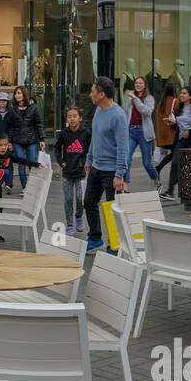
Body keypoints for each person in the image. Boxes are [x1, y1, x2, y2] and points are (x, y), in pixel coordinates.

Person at [83, 76, 129, 251]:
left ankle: (115, 245)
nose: (90, 94)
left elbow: (123, 148)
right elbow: (96, 137)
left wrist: (119, 174)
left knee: (113, 210)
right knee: (89, 202)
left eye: (93, 91)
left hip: (111, 172)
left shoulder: (118, 116)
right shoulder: (98, 110)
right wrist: (89, 158)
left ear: (101, 94)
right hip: (96, 167)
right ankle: (95, 238)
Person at [161, 86, 191, 202]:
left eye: (184, 93)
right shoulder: (179, 108)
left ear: (190, 96)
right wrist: (171, 123)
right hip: (181, 141)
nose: (181, 95)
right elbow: (177, 123)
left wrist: (190, 132)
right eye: (180, 93)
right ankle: (170, 192)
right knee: (175, 163)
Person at [53, 106, 92, 233]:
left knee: (80, 198)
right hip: (67, 172)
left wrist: (86, 161)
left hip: (81, 172)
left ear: (80, 118)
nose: (72, 119)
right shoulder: (64, 133)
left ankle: (79, 217)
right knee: (68, 199)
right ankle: (69, 223)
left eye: (74, 116)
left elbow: (91, 149)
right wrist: (61, 161)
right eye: (69, 116)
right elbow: (57, 148)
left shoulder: (86, 133)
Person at [124, 76, 159, 192]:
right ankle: (125, 184)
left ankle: (156, 178)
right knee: (126, 159)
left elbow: (146, 111)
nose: (138, 85)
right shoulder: (129, 98)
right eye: (136, 83)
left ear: (145, 85)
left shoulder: (149, 98)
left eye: (140, 83)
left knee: (147, 162)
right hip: (131, 131)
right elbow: (125, 113)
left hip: (144, 133)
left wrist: (135, 99)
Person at [9, 85, 45, 189]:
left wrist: (41, 139)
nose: (16, 95)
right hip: (18, 141)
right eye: (15, 93)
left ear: (25, 94)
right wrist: (10, 141)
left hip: (31, 141)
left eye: (19, 93)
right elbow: (11, 127)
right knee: (21, 165)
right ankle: (25, 188)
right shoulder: (13, 110)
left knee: (32, 164)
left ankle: (33, 187)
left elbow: (39, 124)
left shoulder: (34, 108)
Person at [0, 93, 19, 190]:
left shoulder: (12, 113)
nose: (2, 102)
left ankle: (8, 184)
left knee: (8, 163)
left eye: (4, 100)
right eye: (0, 100)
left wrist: (10, 141)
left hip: (8, 143)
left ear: (7, 102)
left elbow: (13, 128)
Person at [154, 81, 179, 183]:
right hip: (171, 135)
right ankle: (159, 168)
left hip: (162, 136)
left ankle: (159, 168)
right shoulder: (175, 101)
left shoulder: (160, 104)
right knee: (176, 154)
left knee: (175, 154)